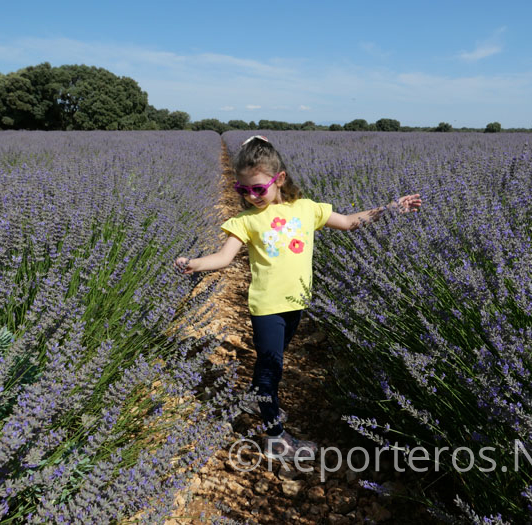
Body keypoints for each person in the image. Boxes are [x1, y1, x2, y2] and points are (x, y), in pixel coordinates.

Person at [175, 135, 421, 461]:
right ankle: (276, 438)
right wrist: (194, 264)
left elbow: (348, 222)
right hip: (266, 309)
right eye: (243, 189)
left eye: (258, 189)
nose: (251, 195)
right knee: (269, 370)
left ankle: (261, 399)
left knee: (273, 365)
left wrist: (389, 209)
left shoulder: (305, 209)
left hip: (296, 305)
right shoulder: (245, 220)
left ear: (279, 180)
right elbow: (222, 258)